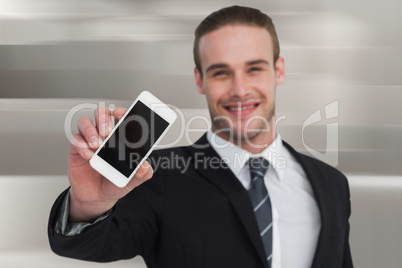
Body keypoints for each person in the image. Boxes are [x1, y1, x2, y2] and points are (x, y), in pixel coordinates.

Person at [48, 5, 353, 268]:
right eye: (221, 72)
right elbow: (88, 244)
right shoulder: (154, 174)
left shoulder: (331, 183)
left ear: (279, 71)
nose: (239, 89)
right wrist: (88, 204)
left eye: (254, 69)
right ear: (199, 80)